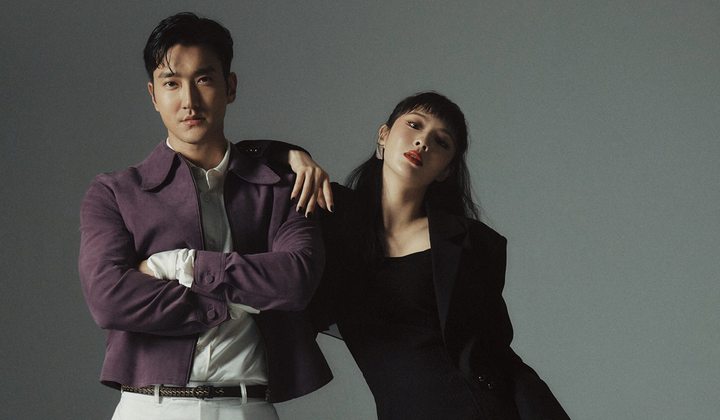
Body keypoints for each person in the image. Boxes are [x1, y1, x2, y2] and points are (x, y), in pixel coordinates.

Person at [78, 12, 331, 420]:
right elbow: (109, 300)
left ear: (230, 87)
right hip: (150, 407)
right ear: (153, 95)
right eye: (171, 83)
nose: (189, 101)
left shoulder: (283, 187)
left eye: (204, 79)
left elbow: (297, 280)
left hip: (247, 408)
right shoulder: (115, 192)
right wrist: (239, 300)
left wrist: (181, 265)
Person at [266, 91, 570, 419]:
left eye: (441, 142)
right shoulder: (332, 216)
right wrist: (293, 156)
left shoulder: (468, 243)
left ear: (445, 171)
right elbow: (239, 162)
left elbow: (494, 351)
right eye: (414, 125)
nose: (423, 142)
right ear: (383, 136)